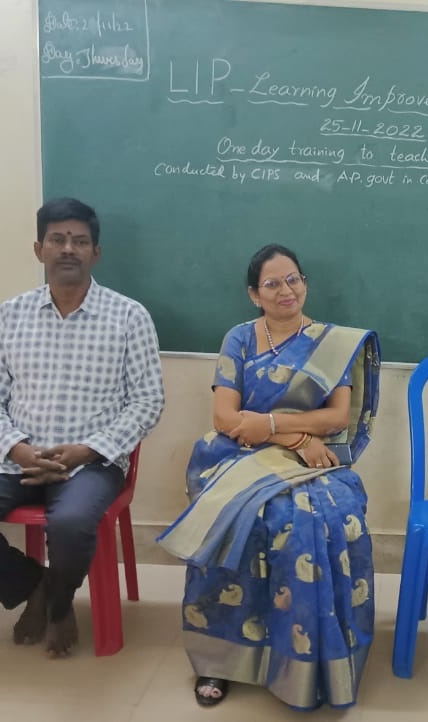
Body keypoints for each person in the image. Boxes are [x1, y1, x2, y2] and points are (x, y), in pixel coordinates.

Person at [0, 197, 165, 657]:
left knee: (73, 522)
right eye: (57, 239)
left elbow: (147, 401)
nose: (68, 249)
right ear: (39, 250)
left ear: (96, 252)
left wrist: (88, 450)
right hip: (15, 458)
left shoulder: (129, 317)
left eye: (80, 241)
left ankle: (56, 606)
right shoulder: (10, 315)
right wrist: (16, 448)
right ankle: (37, 588)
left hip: (89, 463)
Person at [157, 244, 381, 711]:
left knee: (320, 517)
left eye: (293, 279)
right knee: (241, 516)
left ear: (305, 283)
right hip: (237, 454)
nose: (286, 290)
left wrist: (276, 428)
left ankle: (312, 660)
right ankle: (219, 659)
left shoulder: (331, 344)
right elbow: (226, 418)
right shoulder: (239, 339)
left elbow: (337, 418)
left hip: (314, 459)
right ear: (254, 294)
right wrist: (294, 437)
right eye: (273, 283)